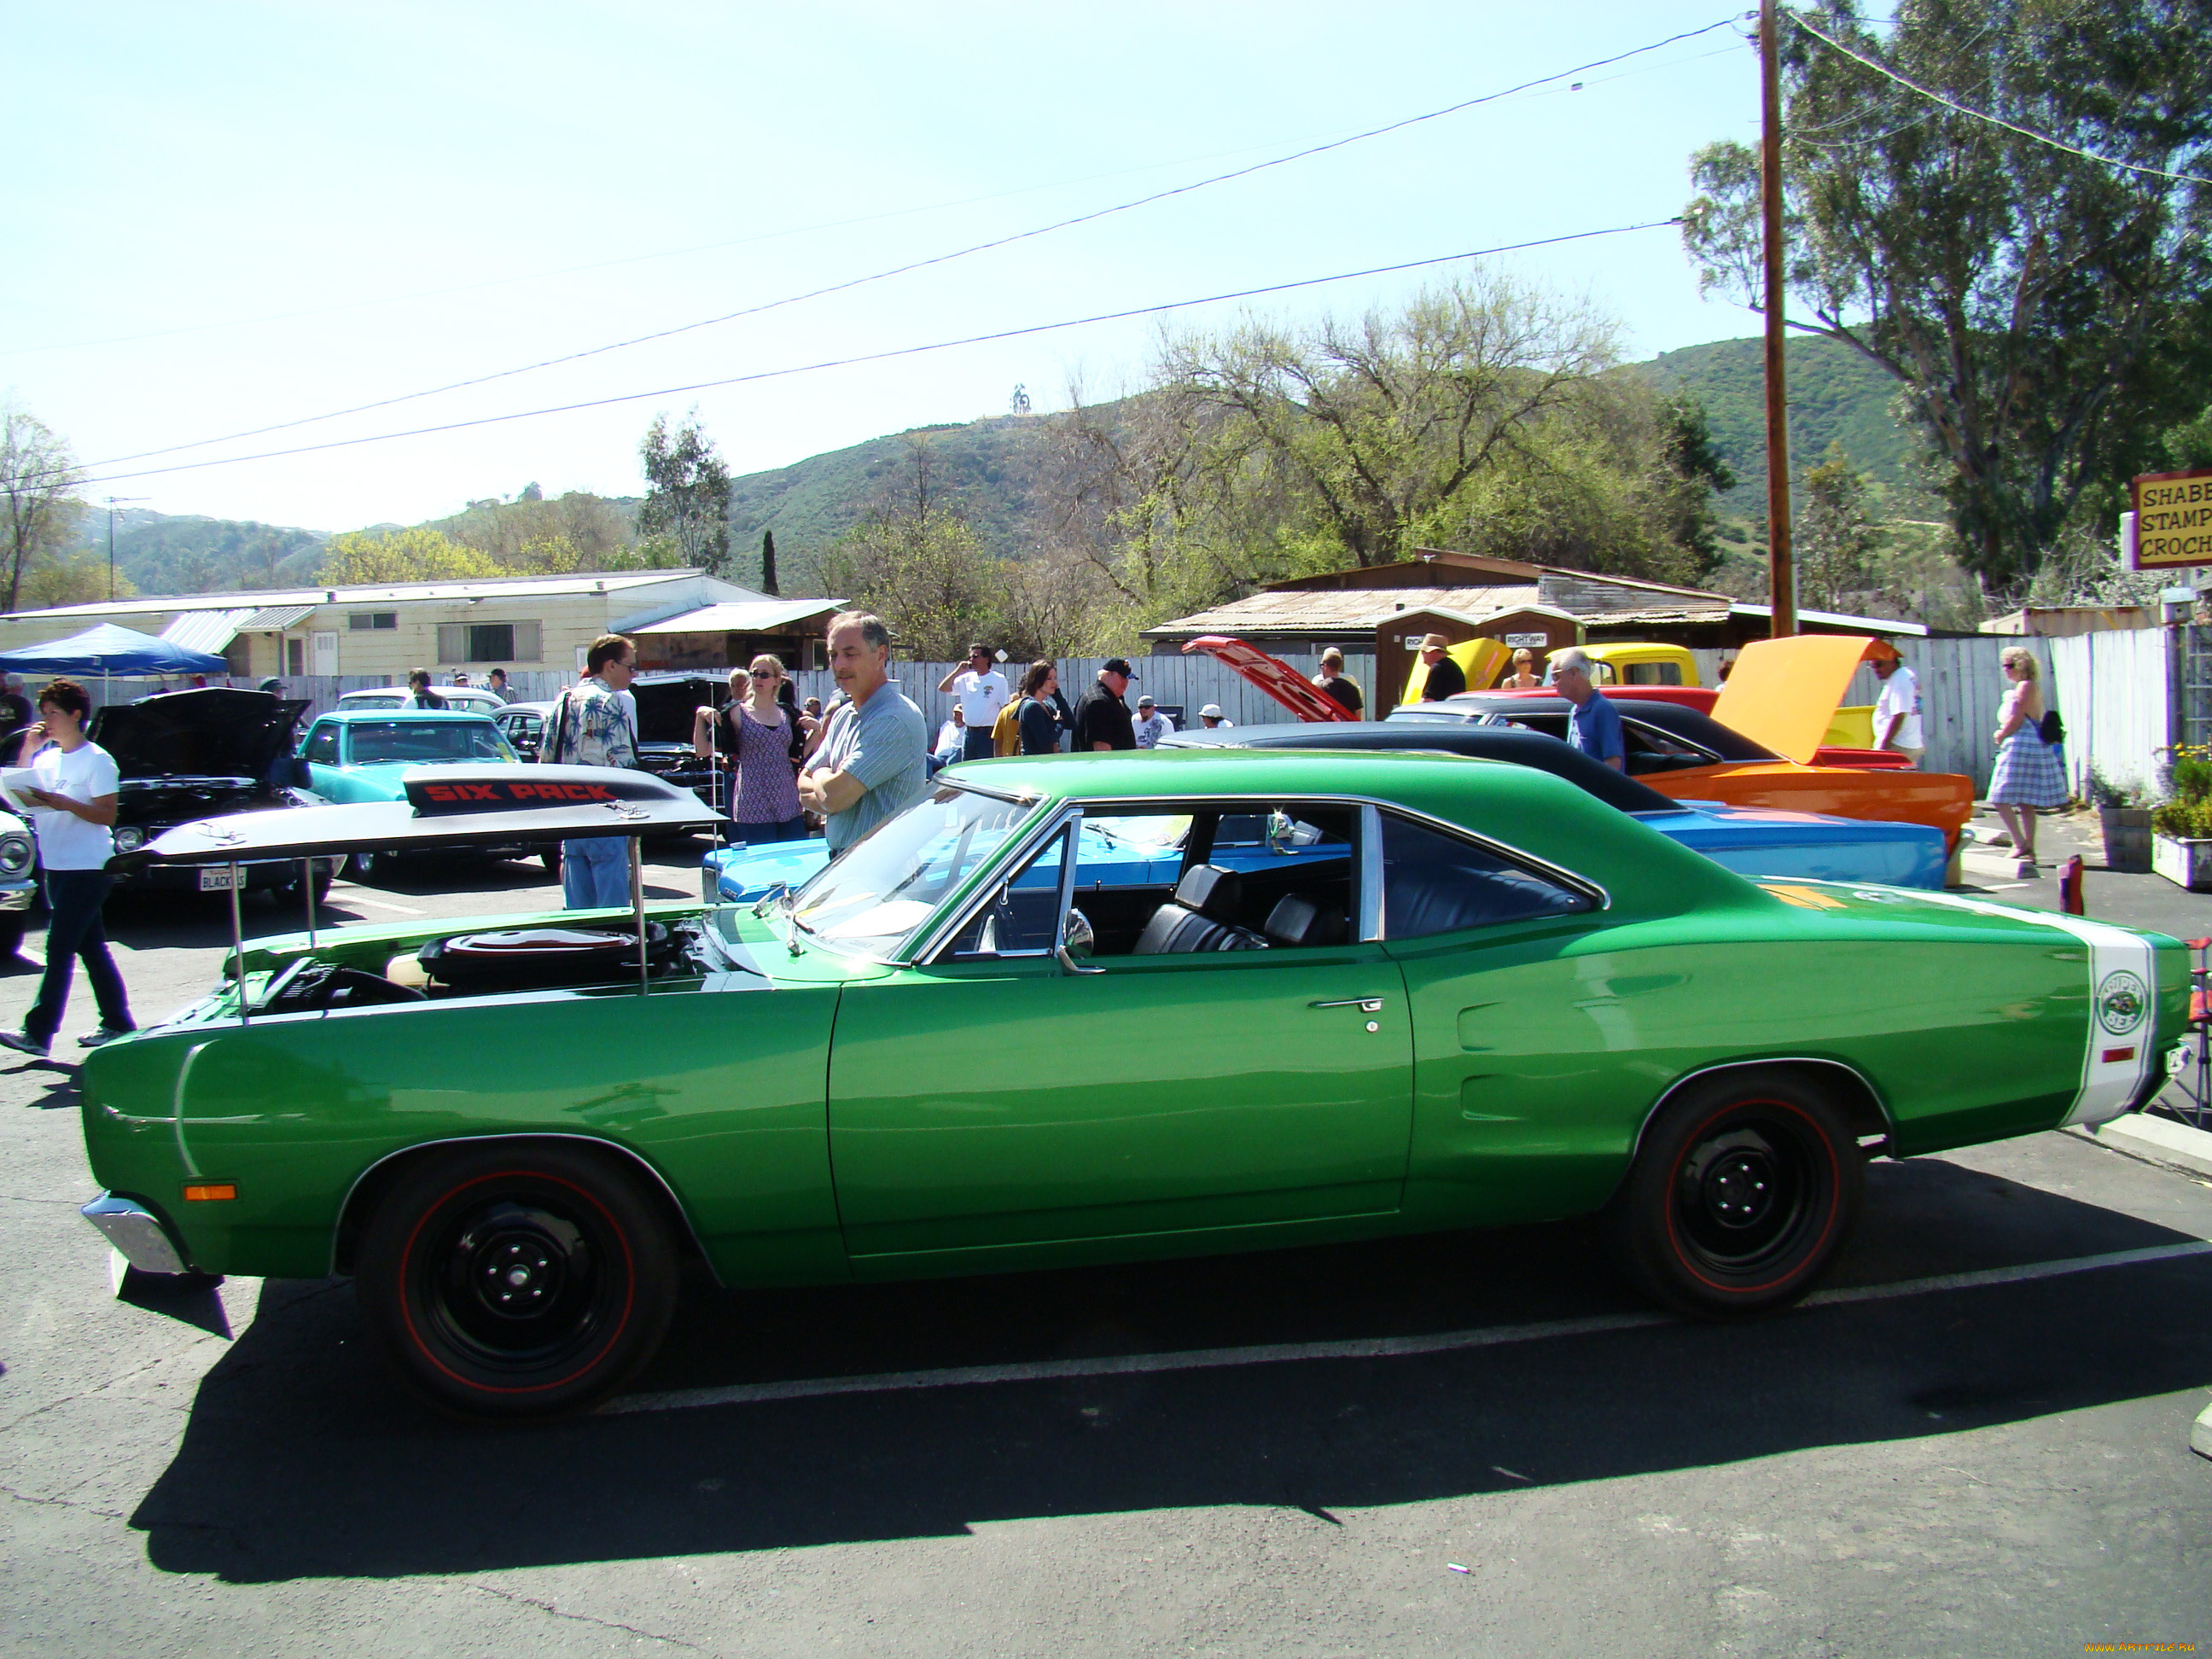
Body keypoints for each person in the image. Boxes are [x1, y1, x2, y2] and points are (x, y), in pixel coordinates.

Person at [0, 679, 133, 1057]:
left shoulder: (98, 760)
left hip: (89, 867)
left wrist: (63, 803)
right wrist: (28, 748)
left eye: (53, 714)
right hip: (56, 864)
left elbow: (107, 815)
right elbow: (17, 791)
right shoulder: (46, 758)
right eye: (43, 715)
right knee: (92, 948)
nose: (46, 722)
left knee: (58, 948)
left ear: (75, 715)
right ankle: (118, 1022)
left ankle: (37, 1032)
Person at [800, 613, 928, 855]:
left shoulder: (894, 720)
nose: (839, 665)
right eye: (833, 655)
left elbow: (833, 797)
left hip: (883, 868)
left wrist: (825, 778)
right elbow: (803, 787)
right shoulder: (842, 716)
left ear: (880, 655)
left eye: (850, 654)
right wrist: (829, 790)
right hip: (846, 861)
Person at [538, 634, 640, 908]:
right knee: (612, 910)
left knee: (578, 909)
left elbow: (546, 758)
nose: (634, 673)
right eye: (630, 667)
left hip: (571, 815)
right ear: (610, 666)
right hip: (606, 815)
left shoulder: (563, 699)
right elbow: (624, 767)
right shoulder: (611, 701)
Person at [696, 655, 806, 845]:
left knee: (794, 859)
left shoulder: (787, 714)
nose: (757, 679)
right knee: (762, 864)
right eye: (754, 674)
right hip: (753, 800)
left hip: (787, 800)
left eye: (764, 675)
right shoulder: (736, 712)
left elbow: (802, 753)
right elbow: (702, 750)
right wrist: (700, 716)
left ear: (777, 680)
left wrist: (817, 731)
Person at [1988, 646, 2066, 877]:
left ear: (2020, 666)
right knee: (2025, 801)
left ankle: (2020, 842)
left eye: (2009, 666)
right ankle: (2028, 847)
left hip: (2022, 742)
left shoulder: (2026, 686)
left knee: (1999, 796)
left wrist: (2002, 734)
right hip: (2026, 742)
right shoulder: (2026, 687)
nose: (2006, 670)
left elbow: (2018, 716)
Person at [1549, 646, 1625, 771]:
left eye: (1556, 677)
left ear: (1574, 673)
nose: (1553, 683)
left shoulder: (1602, 709)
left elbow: (1613, 763)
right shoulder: (1574, 711)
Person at [937, 643, 1010, 762]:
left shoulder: (998, 679)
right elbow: (943, 688)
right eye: (970, 657)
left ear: (986, 659)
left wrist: (1001, 735)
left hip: (988, 733)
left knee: (985, 768)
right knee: (967, 767)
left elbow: (1004, 708)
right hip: (969, 732)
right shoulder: (965, 679)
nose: (972, 660)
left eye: (975, 656)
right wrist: (958, 670)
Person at [1871, 648, 1924, 767]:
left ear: (1892, 661)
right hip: (1909, 743)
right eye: (1873, 666)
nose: (1876, 670)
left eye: (1879, 665)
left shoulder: (1900, 680)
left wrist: (1883, 747)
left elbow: (1899, 715)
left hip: (1898, 745)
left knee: (1878, 782)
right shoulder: (1907, 675)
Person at [1073, 659, 1138, 752]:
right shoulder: (1098, 702)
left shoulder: (1111, 697)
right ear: (1107, 675)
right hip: (1106, 764)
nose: (1126, 683)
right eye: (1122, 678)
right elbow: (1101, 748)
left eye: (1127, 679)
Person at [1015, 661, 1068, 756]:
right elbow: (1046, 744)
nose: (1054, 683)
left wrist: (1058, 697)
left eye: (1055, 678)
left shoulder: (1046, 705)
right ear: (1037, 680)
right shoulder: (1032, 707)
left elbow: (1071, 724)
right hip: (1034, 763)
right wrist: (1059, 723)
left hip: (1046, 762)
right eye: (1049, 679)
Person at [1313, 648, 1364, 715]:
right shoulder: (1352, 688)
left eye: (1321, 666)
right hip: (1348, 725)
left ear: (1325, 666)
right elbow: (1358, 716)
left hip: (1325, 725)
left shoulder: (1319, 687)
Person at [1416, 635, 1466, 701]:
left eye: (1424, 650)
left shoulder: (1438, 668)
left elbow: (1428, 700)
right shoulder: (1451, 665)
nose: (1421, 653)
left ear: (1433, 652)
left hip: (1442, 710)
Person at [930, 708, 969, 773]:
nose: (957, 717)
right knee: (925, 757)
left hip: (954, 758)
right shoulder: (947, 725)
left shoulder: (967, 729)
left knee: (958, 749)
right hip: (939, 758)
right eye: (956, 714)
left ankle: (949, 777)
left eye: (960, 715)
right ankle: (930, 782)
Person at [0, 675, 33, 748]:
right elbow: (26, 725)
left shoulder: (1, 701)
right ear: (19, 686)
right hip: (16, 743)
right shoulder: (23, 703)